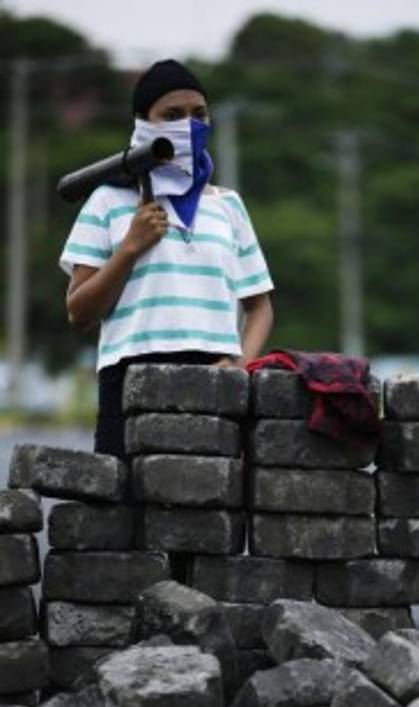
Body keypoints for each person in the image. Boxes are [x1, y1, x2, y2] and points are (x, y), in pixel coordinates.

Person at [60, 59, 274, 458]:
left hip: (215, 379)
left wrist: (240, 366)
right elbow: (79, 313)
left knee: (209, 495)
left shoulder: (228, 205)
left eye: (199, 114)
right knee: (127, 496)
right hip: (130, 378)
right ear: (144, 123)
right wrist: (130, 247)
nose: (189, 125)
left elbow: (259, 306)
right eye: (172, 115)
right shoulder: (107, 200)